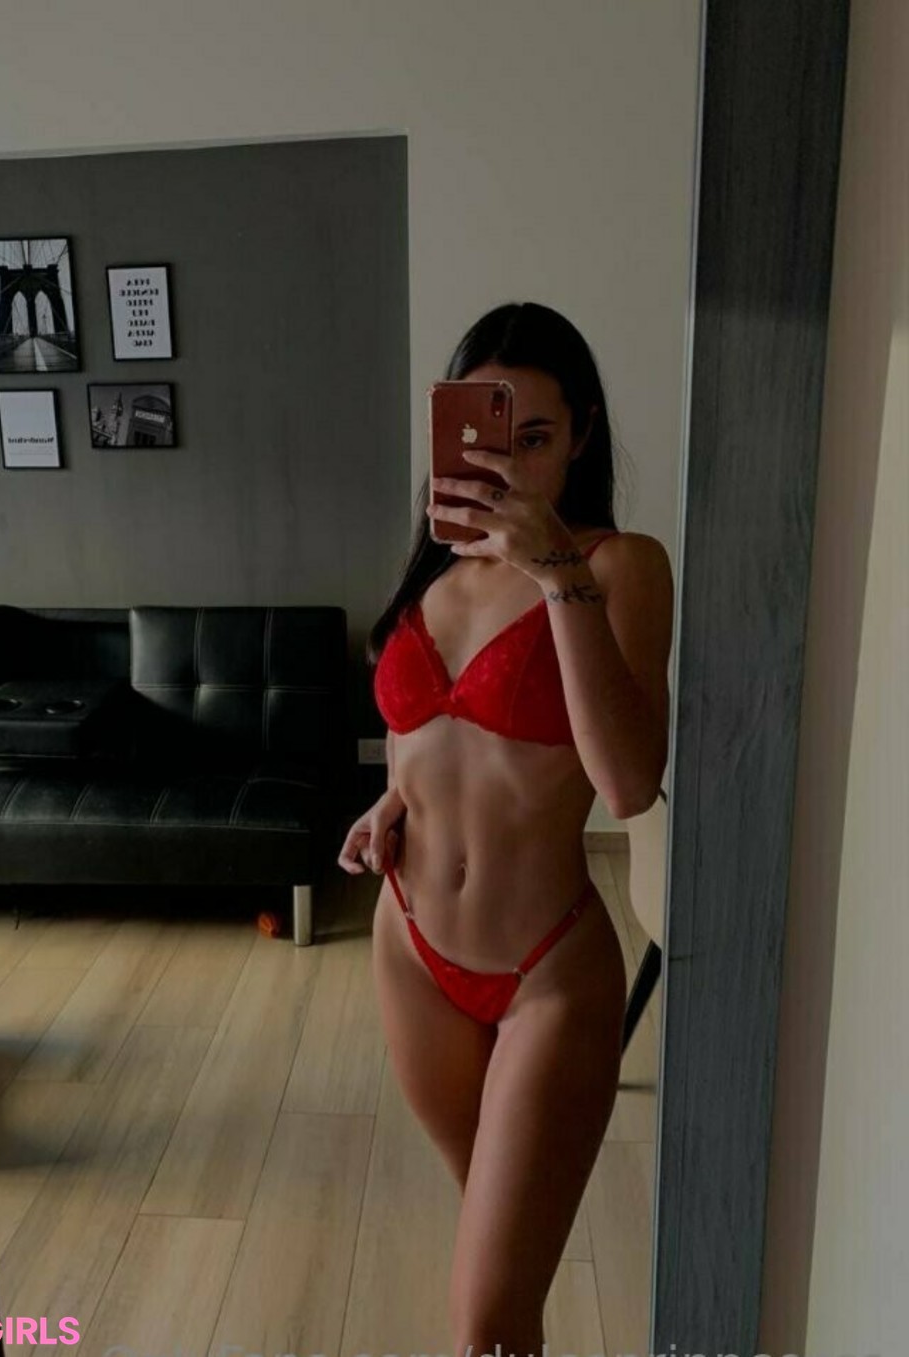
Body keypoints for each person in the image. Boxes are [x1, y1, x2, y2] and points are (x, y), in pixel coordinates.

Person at [337, 301, 674, 1354]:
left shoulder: (620, 567)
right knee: (499, 1275)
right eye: (491, 440)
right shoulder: (436, 569)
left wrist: (555, 568)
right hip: (411, 947)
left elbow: (627, 781)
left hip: (545, 973)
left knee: (483, 1314)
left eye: (536, 437)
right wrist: (392, 801)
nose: (513, 467)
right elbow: (424, 737)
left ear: (582, 432)